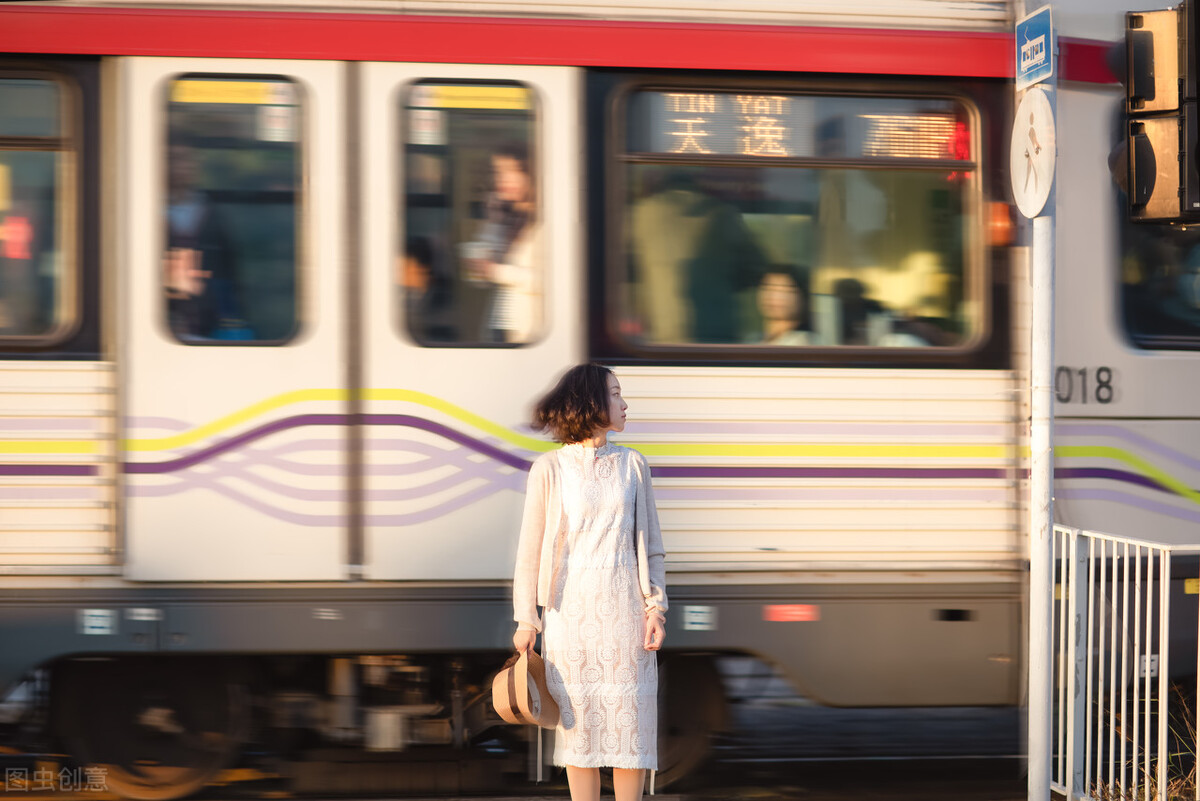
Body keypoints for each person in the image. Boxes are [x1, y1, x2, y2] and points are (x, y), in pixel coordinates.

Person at [512, 363, 667, 801]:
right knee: (579, 733)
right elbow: (530, 548)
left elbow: (651, 545)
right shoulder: (549, 469)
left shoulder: (634, 465)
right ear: (591, 402)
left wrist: (656, 607)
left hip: (625, 617)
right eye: (616, 394)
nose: (625, 402)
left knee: (629, 731)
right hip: (570, 617)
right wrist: (527, 619)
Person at [163, 143, 250, 341]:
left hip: (209, 316)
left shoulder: (211, 212)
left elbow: (229, 269)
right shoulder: (149, 210)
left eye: (189, 159)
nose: (185, 166)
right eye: (176, 159)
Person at [465, 143, 540, 343]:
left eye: (512, 171)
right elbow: (480, 277)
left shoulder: (545, 224)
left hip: (530, 332)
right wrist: (493, 220)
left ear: (531, 174)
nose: (502, 179)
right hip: (499, 325)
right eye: (498, 172)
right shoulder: (507, 219)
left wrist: (496, 271)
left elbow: (549, 280)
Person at [756, 265, 815, 346]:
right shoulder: (752, 340)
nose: (773, 296)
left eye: (785, 290)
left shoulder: (804, 343)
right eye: (767, 287)